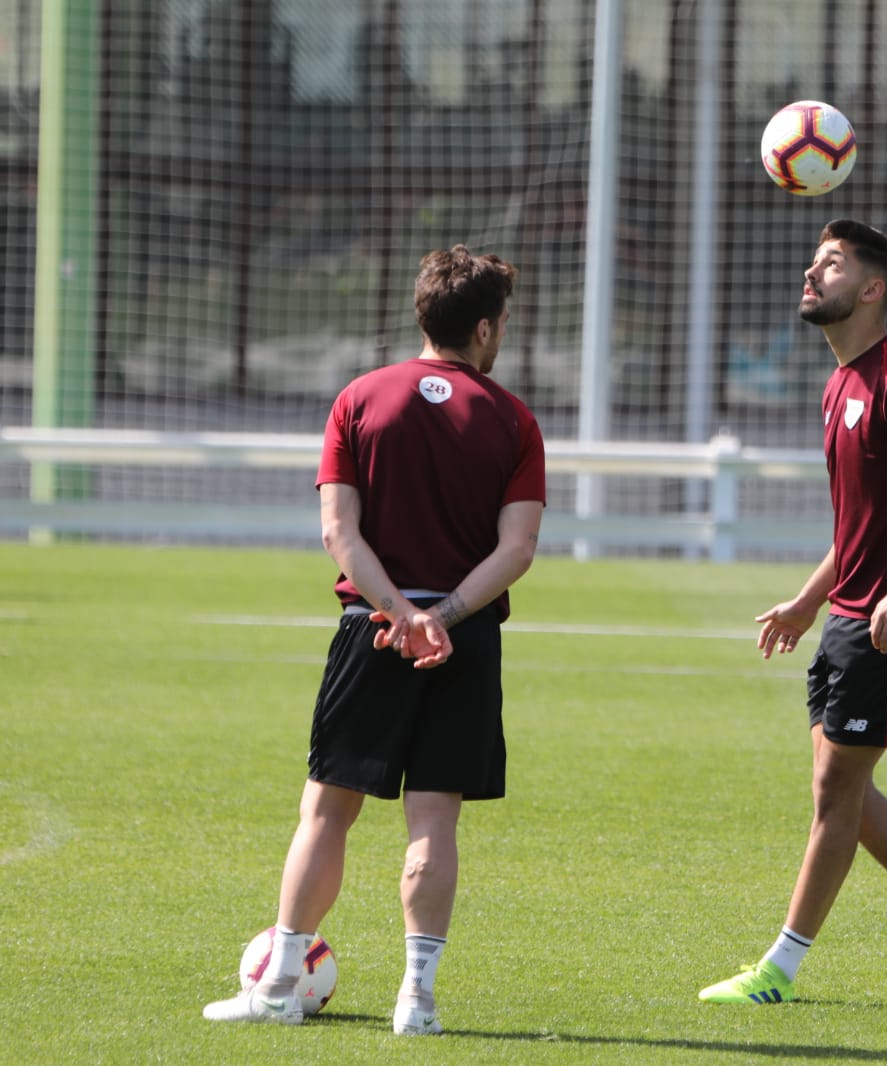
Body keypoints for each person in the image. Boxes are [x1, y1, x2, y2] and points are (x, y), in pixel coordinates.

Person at [202, 245, 546, 1035]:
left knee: (326, 813)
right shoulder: (512, 418)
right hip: (464, 643)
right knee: (434, 822)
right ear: (486, 327)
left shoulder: (360, 398)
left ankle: (279, 986)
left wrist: (397, 612)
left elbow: (338, 531)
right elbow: (518, 549)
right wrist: (442, 615)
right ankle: (416, 1000)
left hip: (373, 633)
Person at [698, 219, 887, 1009]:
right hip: (848, 615)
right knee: (841, 793)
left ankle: (779, 970)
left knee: (837, 796)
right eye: (814, 260)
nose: (812, 272)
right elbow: (861, 525)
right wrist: (809, 600)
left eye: (831, 265)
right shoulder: (841, 383)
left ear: (872, 289)